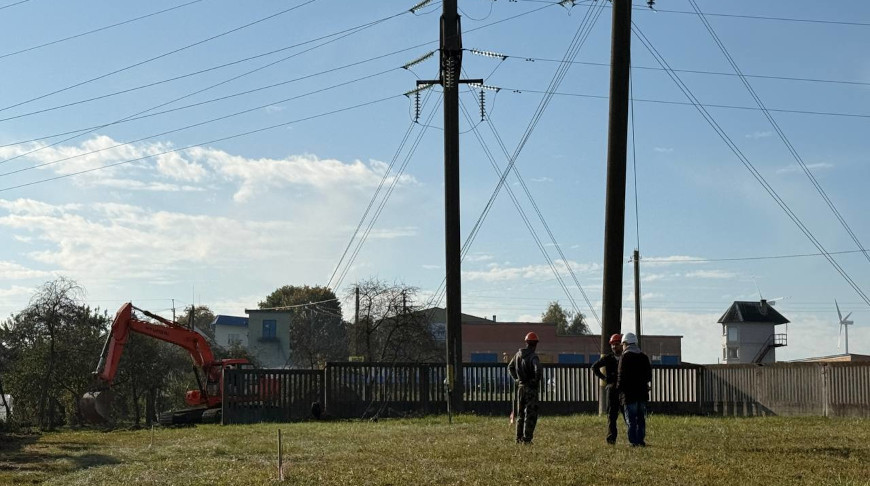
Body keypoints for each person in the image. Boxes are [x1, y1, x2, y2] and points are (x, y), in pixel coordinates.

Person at [617, 332, 652, 447]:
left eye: (622, 344)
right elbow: (649, 376)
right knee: (641, 418)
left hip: (629, 394)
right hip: (642, 393)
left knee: (631, 419)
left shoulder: (625, 357)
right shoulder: (644, 357)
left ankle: (633, 441)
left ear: (625, 343)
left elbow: (621, 376)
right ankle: (641, 440)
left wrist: (619, 389)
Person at [508, 331, 542, 444]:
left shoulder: (518, 355)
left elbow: (510, 367)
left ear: (526, 342)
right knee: (531, 414)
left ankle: (518, 438)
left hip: (520, 388)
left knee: (520, 414)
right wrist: (535, 381)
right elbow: (538, 369)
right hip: (530, 389)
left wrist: (517, 380)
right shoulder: (533, 356)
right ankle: (527, 439)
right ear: (535, 344)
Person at [591, 333, 624, 444]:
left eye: (617, 344)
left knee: (627, 415)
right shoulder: (608, 358)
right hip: (612, 389)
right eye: (612, 344)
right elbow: (594, 367)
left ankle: (633, 439)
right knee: (611, 415)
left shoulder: (626, 357)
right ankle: (611, 439)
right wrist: (604, 378)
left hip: (624, 389)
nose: (614, 347)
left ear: (622, 344)